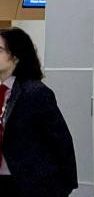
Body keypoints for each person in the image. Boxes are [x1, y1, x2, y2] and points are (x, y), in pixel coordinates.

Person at [0, 27, 77, 197]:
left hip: (26, 183)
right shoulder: (1, 92)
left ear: (15, 56)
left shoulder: (35, 92)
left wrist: (64, 185)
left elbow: (61, 142)